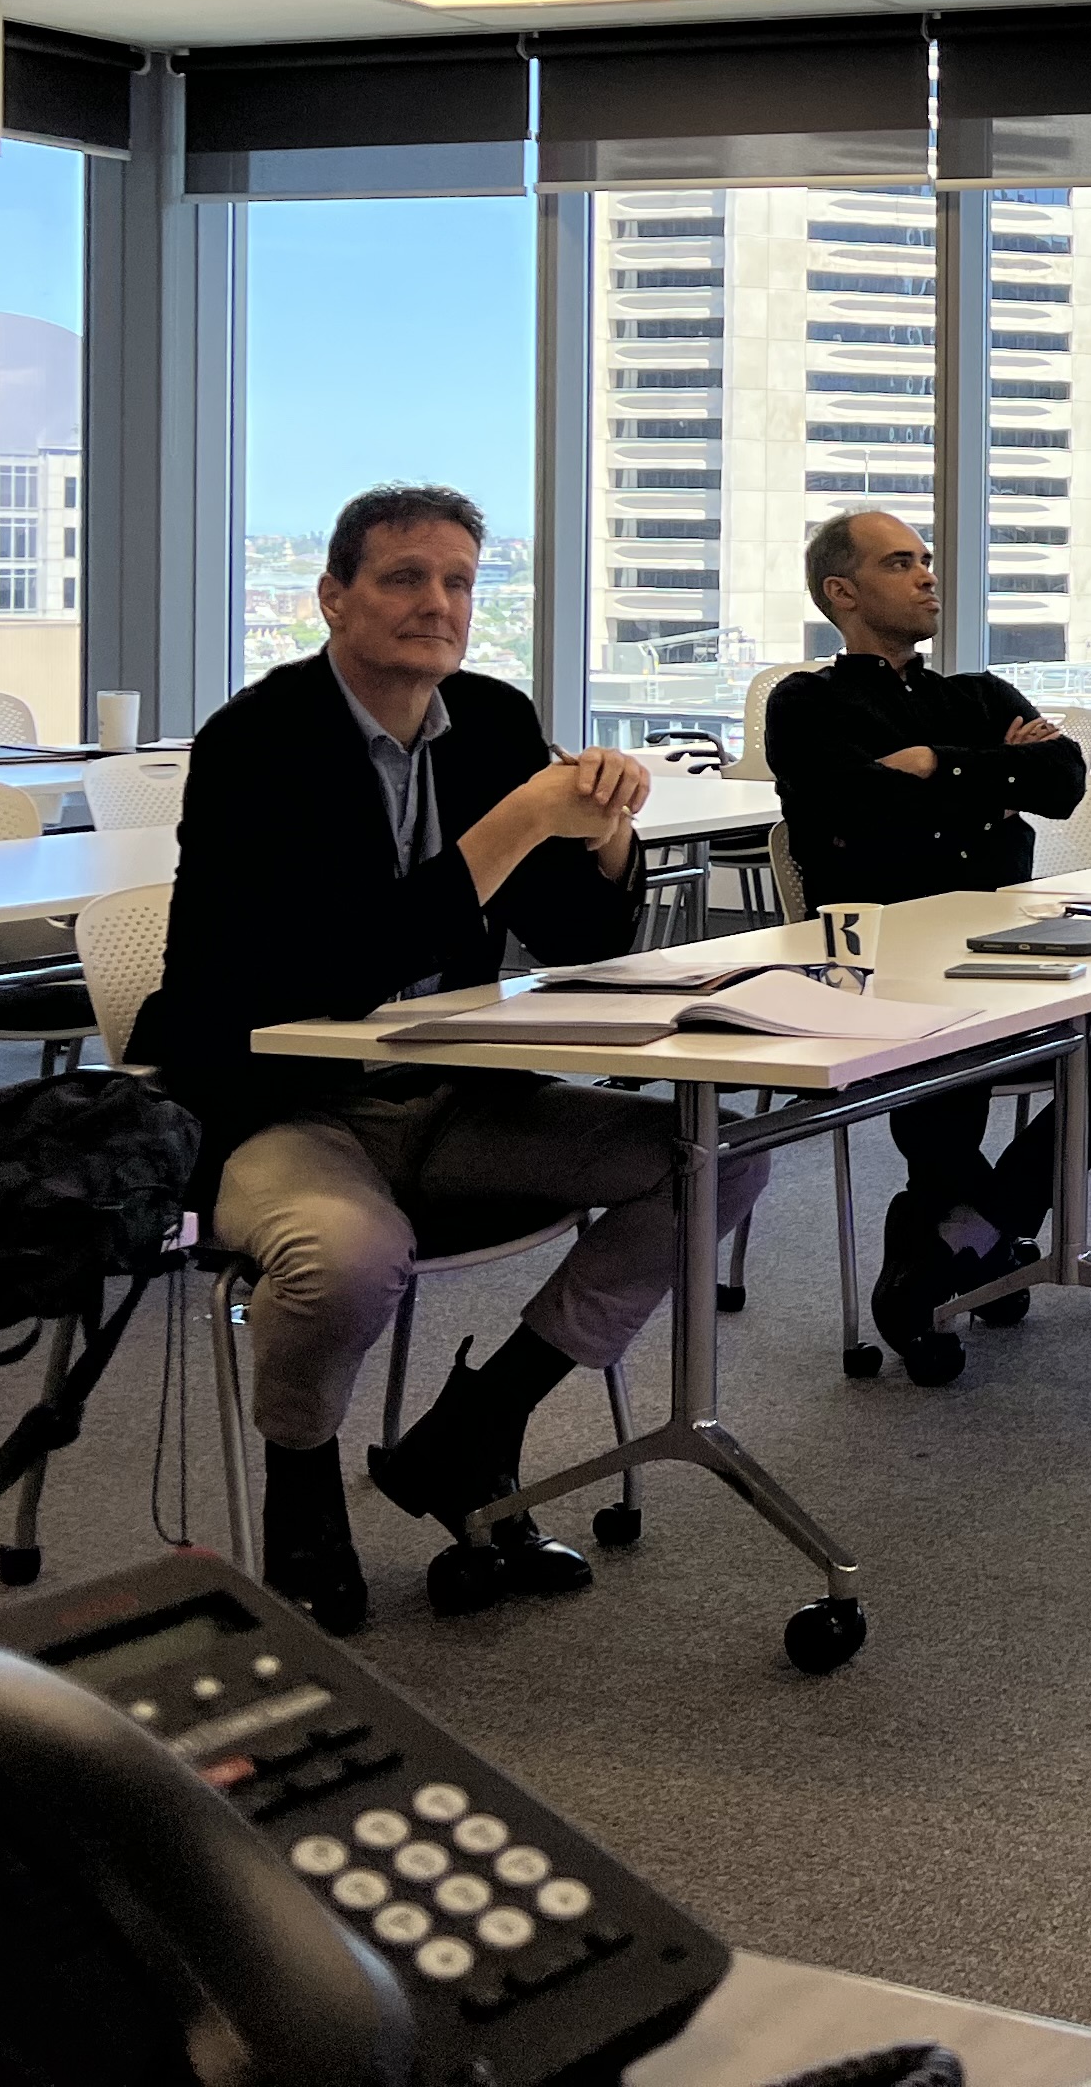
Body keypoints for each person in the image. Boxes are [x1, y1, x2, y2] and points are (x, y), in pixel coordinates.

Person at [141, 484, 773, 1635]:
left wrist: (606, 838)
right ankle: (300, 1489)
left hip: (455, 1095)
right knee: (346, 1258)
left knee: (714, 1159)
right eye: (404, 578)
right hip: (281, 1103)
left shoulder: (489, 719)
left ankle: (477, 1428)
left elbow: (577, 938)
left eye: (459, 583)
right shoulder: (257, 742)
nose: (437, 603)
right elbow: (343, 963)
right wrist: (521, 820)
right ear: (333, 598)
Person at [765, 512, 1091, 1361]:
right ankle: (963, 1240)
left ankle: (974, 1228)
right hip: (884, 966)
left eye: (926, 559)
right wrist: (994, 774)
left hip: (1008, 952)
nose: (928, 575)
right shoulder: (806, 703)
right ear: (843, 593)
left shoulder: (980, 695)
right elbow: (858, 807)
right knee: (944, 1066)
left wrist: (934, 764)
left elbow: (1061, 782)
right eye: (899, 563)